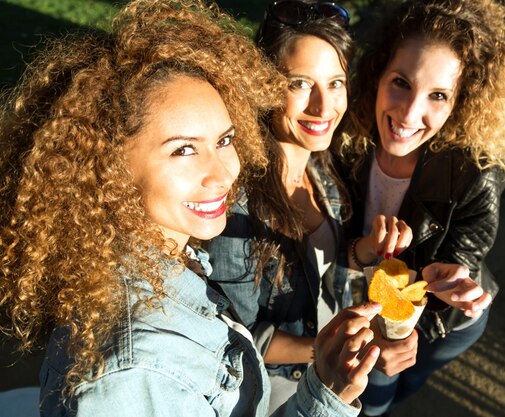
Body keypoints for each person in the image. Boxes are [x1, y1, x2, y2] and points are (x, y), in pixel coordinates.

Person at [0, 1, 384, 416]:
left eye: (224, 140)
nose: (223, 175)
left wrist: (324, 381)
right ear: (109, 167)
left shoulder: (174, 257)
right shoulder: (132, 374)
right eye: (184, 149)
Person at [204, 1, 416, 413]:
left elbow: (323, 269)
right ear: (263, 87)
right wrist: (327, 350)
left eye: (335, 83)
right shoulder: (237, 203)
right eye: (300, 83)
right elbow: (234, 334)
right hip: (275, 393)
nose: (324, 107)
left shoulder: (321, 168)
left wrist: (367, 250)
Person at [338, 0, 505, 415]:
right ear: (378, 72)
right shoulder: (343, 139)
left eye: (438, 95)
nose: (409, 114)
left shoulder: (476, 174)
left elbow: (462, 258)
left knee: (405, 382)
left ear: (461, 103)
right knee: (373, 400)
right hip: (367, 309)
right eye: (401, 83)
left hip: (446, 325)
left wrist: (415, 324)